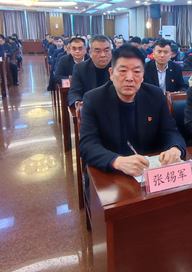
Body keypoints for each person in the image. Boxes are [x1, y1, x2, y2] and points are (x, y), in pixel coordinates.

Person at [79, 45, 186, 175]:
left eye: (136, 72)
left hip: (149, 170)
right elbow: (87, 145)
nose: (129, 78)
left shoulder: (155, 95)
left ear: (142, 75)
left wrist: (174, 150)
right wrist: (117, 161)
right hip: (111, 173)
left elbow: (170, 131)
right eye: (123, 71)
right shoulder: (94, 99)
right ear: (111, 73)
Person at [68, 34, 112, 106]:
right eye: (98, 51)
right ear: (90, 53)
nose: (103, 55)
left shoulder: (119, 67)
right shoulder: (80, 68)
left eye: (107, 50)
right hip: (90, 107)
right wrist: (82, 104)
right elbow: (74, 93)